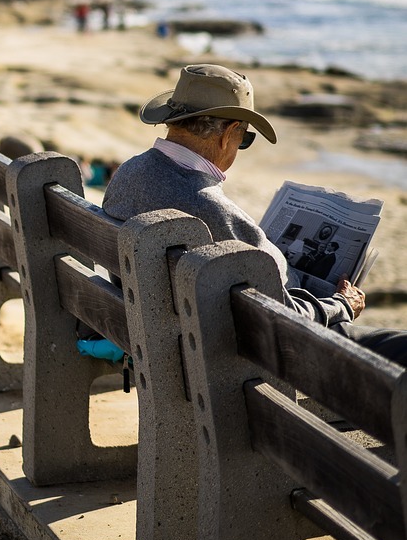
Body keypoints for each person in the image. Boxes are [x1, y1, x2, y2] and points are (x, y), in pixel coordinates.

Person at [102, 63, 407, 366]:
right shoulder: (210, 210)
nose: (238, 146)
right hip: (244, 355)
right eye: (244, 138)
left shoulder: (128, 174)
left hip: (170, 342)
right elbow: (285, 319)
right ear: (228, 134)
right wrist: (341, 305)